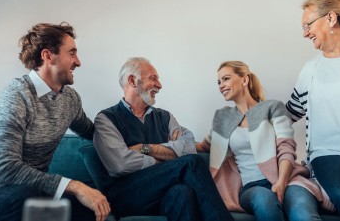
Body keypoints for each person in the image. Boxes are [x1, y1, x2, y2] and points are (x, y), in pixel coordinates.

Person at [0, 22, 110, 221]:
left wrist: (135, 138)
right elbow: (4, 171)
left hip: (32, 191)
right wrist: (75, 186)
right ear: (48, 56)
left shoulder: (69, 99)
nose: (78, 62)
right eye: (71, 53)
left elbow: (93, 132)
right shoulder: (15, 97)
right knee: (26, 201)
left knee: (91, 209)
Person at [93, 57, 234, 221]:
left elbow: (188, 148)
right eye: (153, 78)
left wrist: (144, 148)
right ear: (132, 80)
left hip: (160, 192)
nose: (159, 85)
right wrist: (169, 160)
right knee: (192, 163)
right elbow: (120, 164)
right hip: (125, 195)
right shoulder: (106, 118)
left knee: (182, 192)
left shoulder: (165, 117)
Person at [196, 61, 334, 221]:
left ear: (244, 80)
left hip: (288, 180)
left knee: (302, 211)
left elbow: (286, 148)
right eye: (218, 82)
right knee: (265, 201)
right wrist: (171, 144)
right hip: (251, 187)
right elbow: (204, 146)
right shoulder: (223, 117)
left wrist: (281, 183)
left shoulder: (273, 107)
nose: (221, 85)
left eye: (226, 79)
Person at [286, 0, 340, 221]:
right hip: (330, 153)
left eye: (308, 25)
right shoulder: (311, 69)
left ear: (330, 17)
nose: (305, 33)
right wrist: (252, 114)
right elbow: (290, 112)